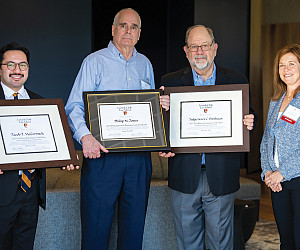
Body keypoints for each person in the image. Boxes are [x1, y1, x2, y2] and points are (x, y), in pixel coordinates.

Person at [65, 8, 168, 250]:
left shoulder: (145, 64)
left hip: (139, 160)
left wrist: (161, 107)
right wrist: (85, 137)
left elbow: (150, 111)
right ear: (113, 30)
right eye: (123, 25)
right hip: (102, 157)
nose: (128, 31)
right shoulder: (94, 61)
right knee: (96, 231)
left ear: (139, 34)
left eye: (133, 27)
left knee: (134, 232)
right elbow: (74, 107)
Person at [159, 25, 256, 250]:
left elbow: (249, 116)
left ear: (215, 49)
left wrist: (251, 121)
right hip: (184, 176)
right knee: (187, 243)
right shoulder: (170, 82)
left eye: (205, 45)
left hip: (221, 175)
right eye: (194, 46)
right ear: (186, 50)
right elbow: (161, 128)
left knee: (220, 244)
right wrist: (161, 109)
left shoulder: (236, 80)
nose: (199, 51)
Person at [0, 42, 78, 250]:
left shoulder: (41, 103)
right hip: (2, 189)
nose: (17, 70)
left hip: (31, 190)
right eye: (10, 64)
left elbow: (50, 144)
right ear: (0, 68)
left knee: (25, 245)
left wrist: (64, 158)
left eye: (22, 65)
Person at [260, 44, 300, 249]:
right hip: (277, 183)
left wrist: (281, 173)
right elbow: (267, 139)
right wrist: (268, 172)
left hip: (296, 179)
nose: (286, 69)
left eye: (292, 64)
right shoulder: (276, 101)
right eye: (281, 65)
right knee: (285, 240)